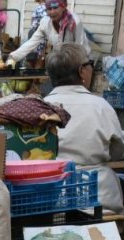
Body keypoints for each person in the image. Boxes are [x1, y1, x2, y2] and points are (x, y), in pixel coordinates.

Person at [44, 43, 123, 214]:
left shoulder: (40, 107)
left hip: (50, 201)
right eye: (89, 65)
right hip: (99, 201)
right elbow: (118, 150)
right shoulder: (100, 106)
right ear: (81, 71)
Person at [8, 0, 90, 67]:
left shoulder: (74, 22)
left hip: (80, 61)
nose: (52, 12)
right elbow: (32, 42)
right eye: (49, 9)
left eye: (55, 7)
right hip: (62, 61)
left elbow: (81, 47)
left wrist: (77, 67)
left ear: (64, 6)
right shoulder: (45, 23)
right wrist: (13, 57)